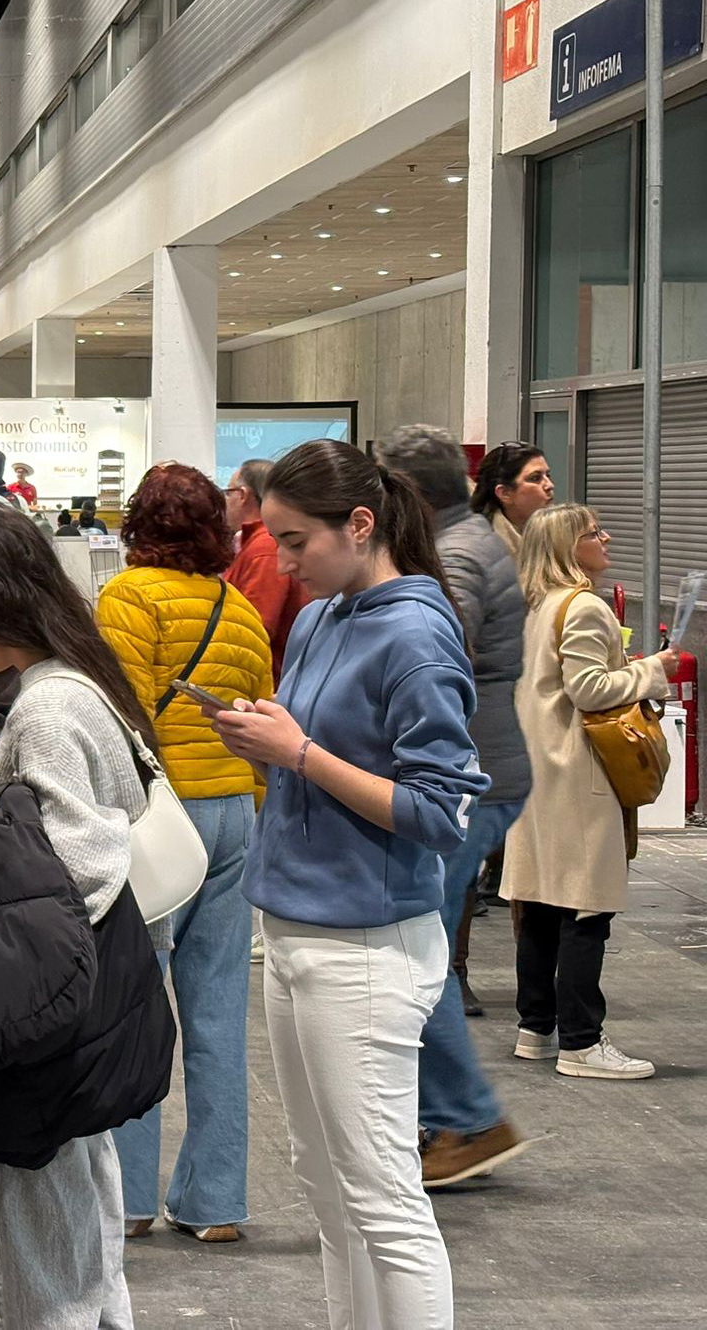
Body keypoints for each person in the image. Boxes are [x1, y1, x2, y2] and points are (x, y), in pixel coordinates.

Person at [208, 440, 484, 1328]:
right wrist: (276, 735)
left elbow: (441, 815)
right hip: (294, 931)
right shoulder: (329, 613)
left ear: (360, 526)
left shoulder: (416, 632)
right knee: (327, 1190)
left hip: (366, 948)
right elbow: (322, 747)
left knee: (384, 1204)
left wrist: (300, 753)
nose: (281, 562)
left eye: (296, 542)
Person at [0, 500, 165, 1330]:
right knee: (78, 1189)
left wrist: (19, 979)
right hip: (93, 988)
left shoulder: (45, 709)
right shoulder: (72, 682)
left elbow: (81, 864)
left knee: (46, 1210)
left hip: (59, 1003)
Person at [96, 462, 274, 1245]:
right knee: (218, 1011)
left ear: (139, 525)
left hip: (159, 819)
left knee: (135, 1010)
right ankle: (215, 1203)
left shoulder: (127, 598)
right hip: (236, 812)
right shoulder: (237, 606)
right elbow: (262, 709)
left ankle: (130, 1197)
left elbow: (118, 715)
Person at [378, 424, 535, 1182]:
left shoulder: (458, 555)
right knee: (421, 947)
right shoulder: (467, 540)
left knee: (419, 953)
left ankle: (468, 1118)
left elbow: (440, 649)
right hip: (483, 770)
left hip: (471, 778)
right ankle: (440, 1114)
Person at [502, 504, 673, 1081]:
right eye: (592, 533)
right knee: (587, 907)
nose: (605, 538)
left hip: (538, 772)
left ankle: (537, 1028)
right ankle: (582, 1042)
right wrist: (653, 670)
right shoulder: (585, 605)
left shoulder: (536, 605)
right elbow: (591, 690)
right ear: (568, 548)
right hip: (579, 774)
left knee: (543, 902)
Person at [224, 458, 311, 673]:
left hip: (264, 682)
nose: (225, 501)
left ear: (243, 495)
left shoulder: (263, 549)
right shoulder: (255, 544)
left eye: (228, 492)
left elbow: (255, 629)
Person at [471, 442, 553, 557]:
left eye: (548, 476)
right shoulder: (479, 547)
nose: (549, 485)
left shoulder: (556, 536)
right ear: (505, 493)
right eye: (535, 478)